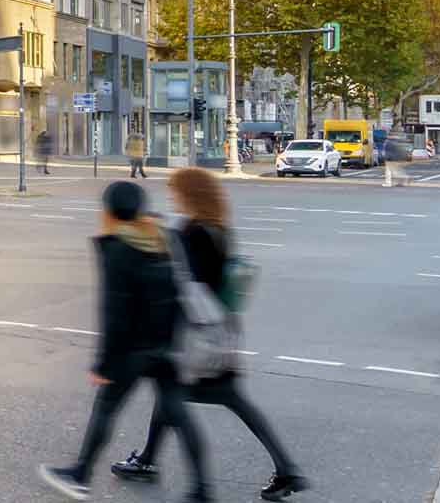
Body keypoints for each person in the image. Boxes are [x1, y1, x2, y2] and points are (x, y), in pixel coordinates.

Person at [113, 167, 306, 500]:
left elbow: (185, 282)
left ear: (189, 195)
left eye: (176, 192)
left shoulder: (192, 233)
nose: (173, 197)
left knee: (173, 395)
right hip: (222, 331)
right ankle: (287, 469)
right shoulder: (219, 228)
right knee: (201, 398)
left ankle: (198, 485)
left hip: (196, 335)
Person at [38, 179, 209, 501]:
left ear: (110, 211)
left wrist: (103, 364)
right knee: (180, 414)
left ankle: (81, 474)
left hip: (133, 349)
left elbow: (114, 310)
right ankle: (203, 489)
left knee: (106, 408)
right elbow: (183, 286)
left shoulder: (116, 246)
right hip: (168, 345)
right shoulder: (166, 236)